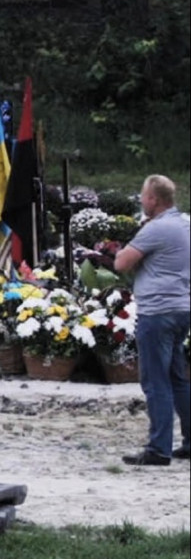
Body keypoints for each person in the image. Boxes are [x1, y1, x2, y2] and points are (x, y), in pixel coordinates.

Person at [115, 174, 190, 466]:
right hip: (181, 307)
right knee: (177, 378)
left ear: (154, 199)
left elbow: (121, 262)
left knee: (155, 381)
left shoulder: (156, 228)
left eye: (143, 195)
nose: (140, 199)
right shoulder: (184, 224)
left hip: (158, 311)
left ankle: (159, 449)